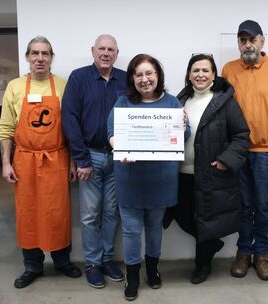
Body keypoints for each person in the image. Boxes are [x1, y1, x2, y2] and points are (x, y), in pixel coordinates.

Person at [0, 36, 81, 289]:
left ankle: (61, 260)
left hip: (56, 157)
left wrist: (73, 162)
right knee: (28, 213)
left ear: (51, 57)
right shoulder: (14, 86)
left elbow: (71, 127)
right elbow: (6, 128)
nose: (40, 58)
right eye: (35, 53)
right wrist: (5, 163)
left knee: (58, 212)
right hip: (24, 159)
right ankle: (32, 265)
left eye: (45, 53)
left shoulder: (64, 86)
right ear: (27, 57)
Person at [107, 54, 190, 301]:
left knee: (155, 228)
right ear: (133, 78)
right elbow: (111, 131)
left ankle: (153, 271)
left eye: (149, 73)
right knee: (132, 231)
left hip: (161, 179)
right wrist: (118, 146)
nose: (145, 79)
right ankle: (132, 277)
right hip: (130, 179)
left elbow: (183, 138)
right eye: (139, 74)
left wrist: (183, 125)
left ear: (158, 75)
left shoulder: (173, 103)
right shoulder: (123, 103)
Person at [164, 54, 249, 284]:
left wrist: (225, 160)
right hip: (181, 173)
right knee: (182, 216)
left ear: (213, 75)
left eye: (205, 70)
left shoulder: (225, 102)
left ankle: (202, 265)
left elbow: (241, 137)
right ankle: (213, 243)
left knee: (205, 219)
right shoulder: (179, 100)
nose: (200, 74)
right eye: (195, 70)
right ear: (189, 75)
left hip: (211, 174)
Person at [221, 20, 268, 281]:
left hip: (265, 153)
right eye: (242, 40)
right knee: (243, 205)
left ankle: (261, 254)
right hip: (238, 152)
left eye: (252, 39)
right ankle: (243, 254)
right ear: (238, 43)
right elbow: (222, 111)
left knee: (262, 206)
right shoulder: (229, 69)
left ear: (262, 41)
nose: (247, 44)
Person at [61, 34, 126, 288]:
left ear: (117, 54)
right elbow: (70, 119)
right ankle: (92, 263)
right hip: (90, 157)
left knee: (112, 213)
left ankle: (108, 259)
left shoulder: (125, 78)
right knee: (90, 215)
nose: (106, 53)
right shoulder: (79, 78)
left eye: (111, 49)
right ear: (93, 51)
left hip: (119, 158)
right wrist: (81, 159)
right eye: (102, 48)